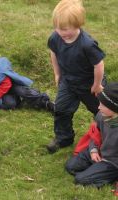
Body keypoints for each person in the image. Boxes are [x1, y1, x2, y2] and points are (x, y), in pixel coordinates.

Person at [46, 0, 106, 153]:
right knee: (61, 109)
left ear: (78, 24)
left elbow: (99, 64)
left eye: (65, 29)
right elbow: (54, 53)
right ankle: (63, 138)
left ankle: (107, 138)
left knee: (102, 112)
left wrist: (97, 85)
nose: (61, 32)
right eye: (58, 28)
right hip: (68, 81)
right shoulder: (55, 38)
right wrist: (57, 73)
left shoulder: (87, 44)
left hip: (90, 84)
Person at [65, 82, 118, 187]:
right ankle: (96, 172)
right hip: (99, 151)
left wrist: (106, 161)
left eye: (103, 105)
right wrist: (93, 150)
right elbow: (94, 134)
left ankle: (110, 175)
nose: (99, 107)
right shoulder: (101, 115)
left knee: (80, 179)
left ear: (114, 108)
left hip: (112, 162)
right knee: (70, 166)